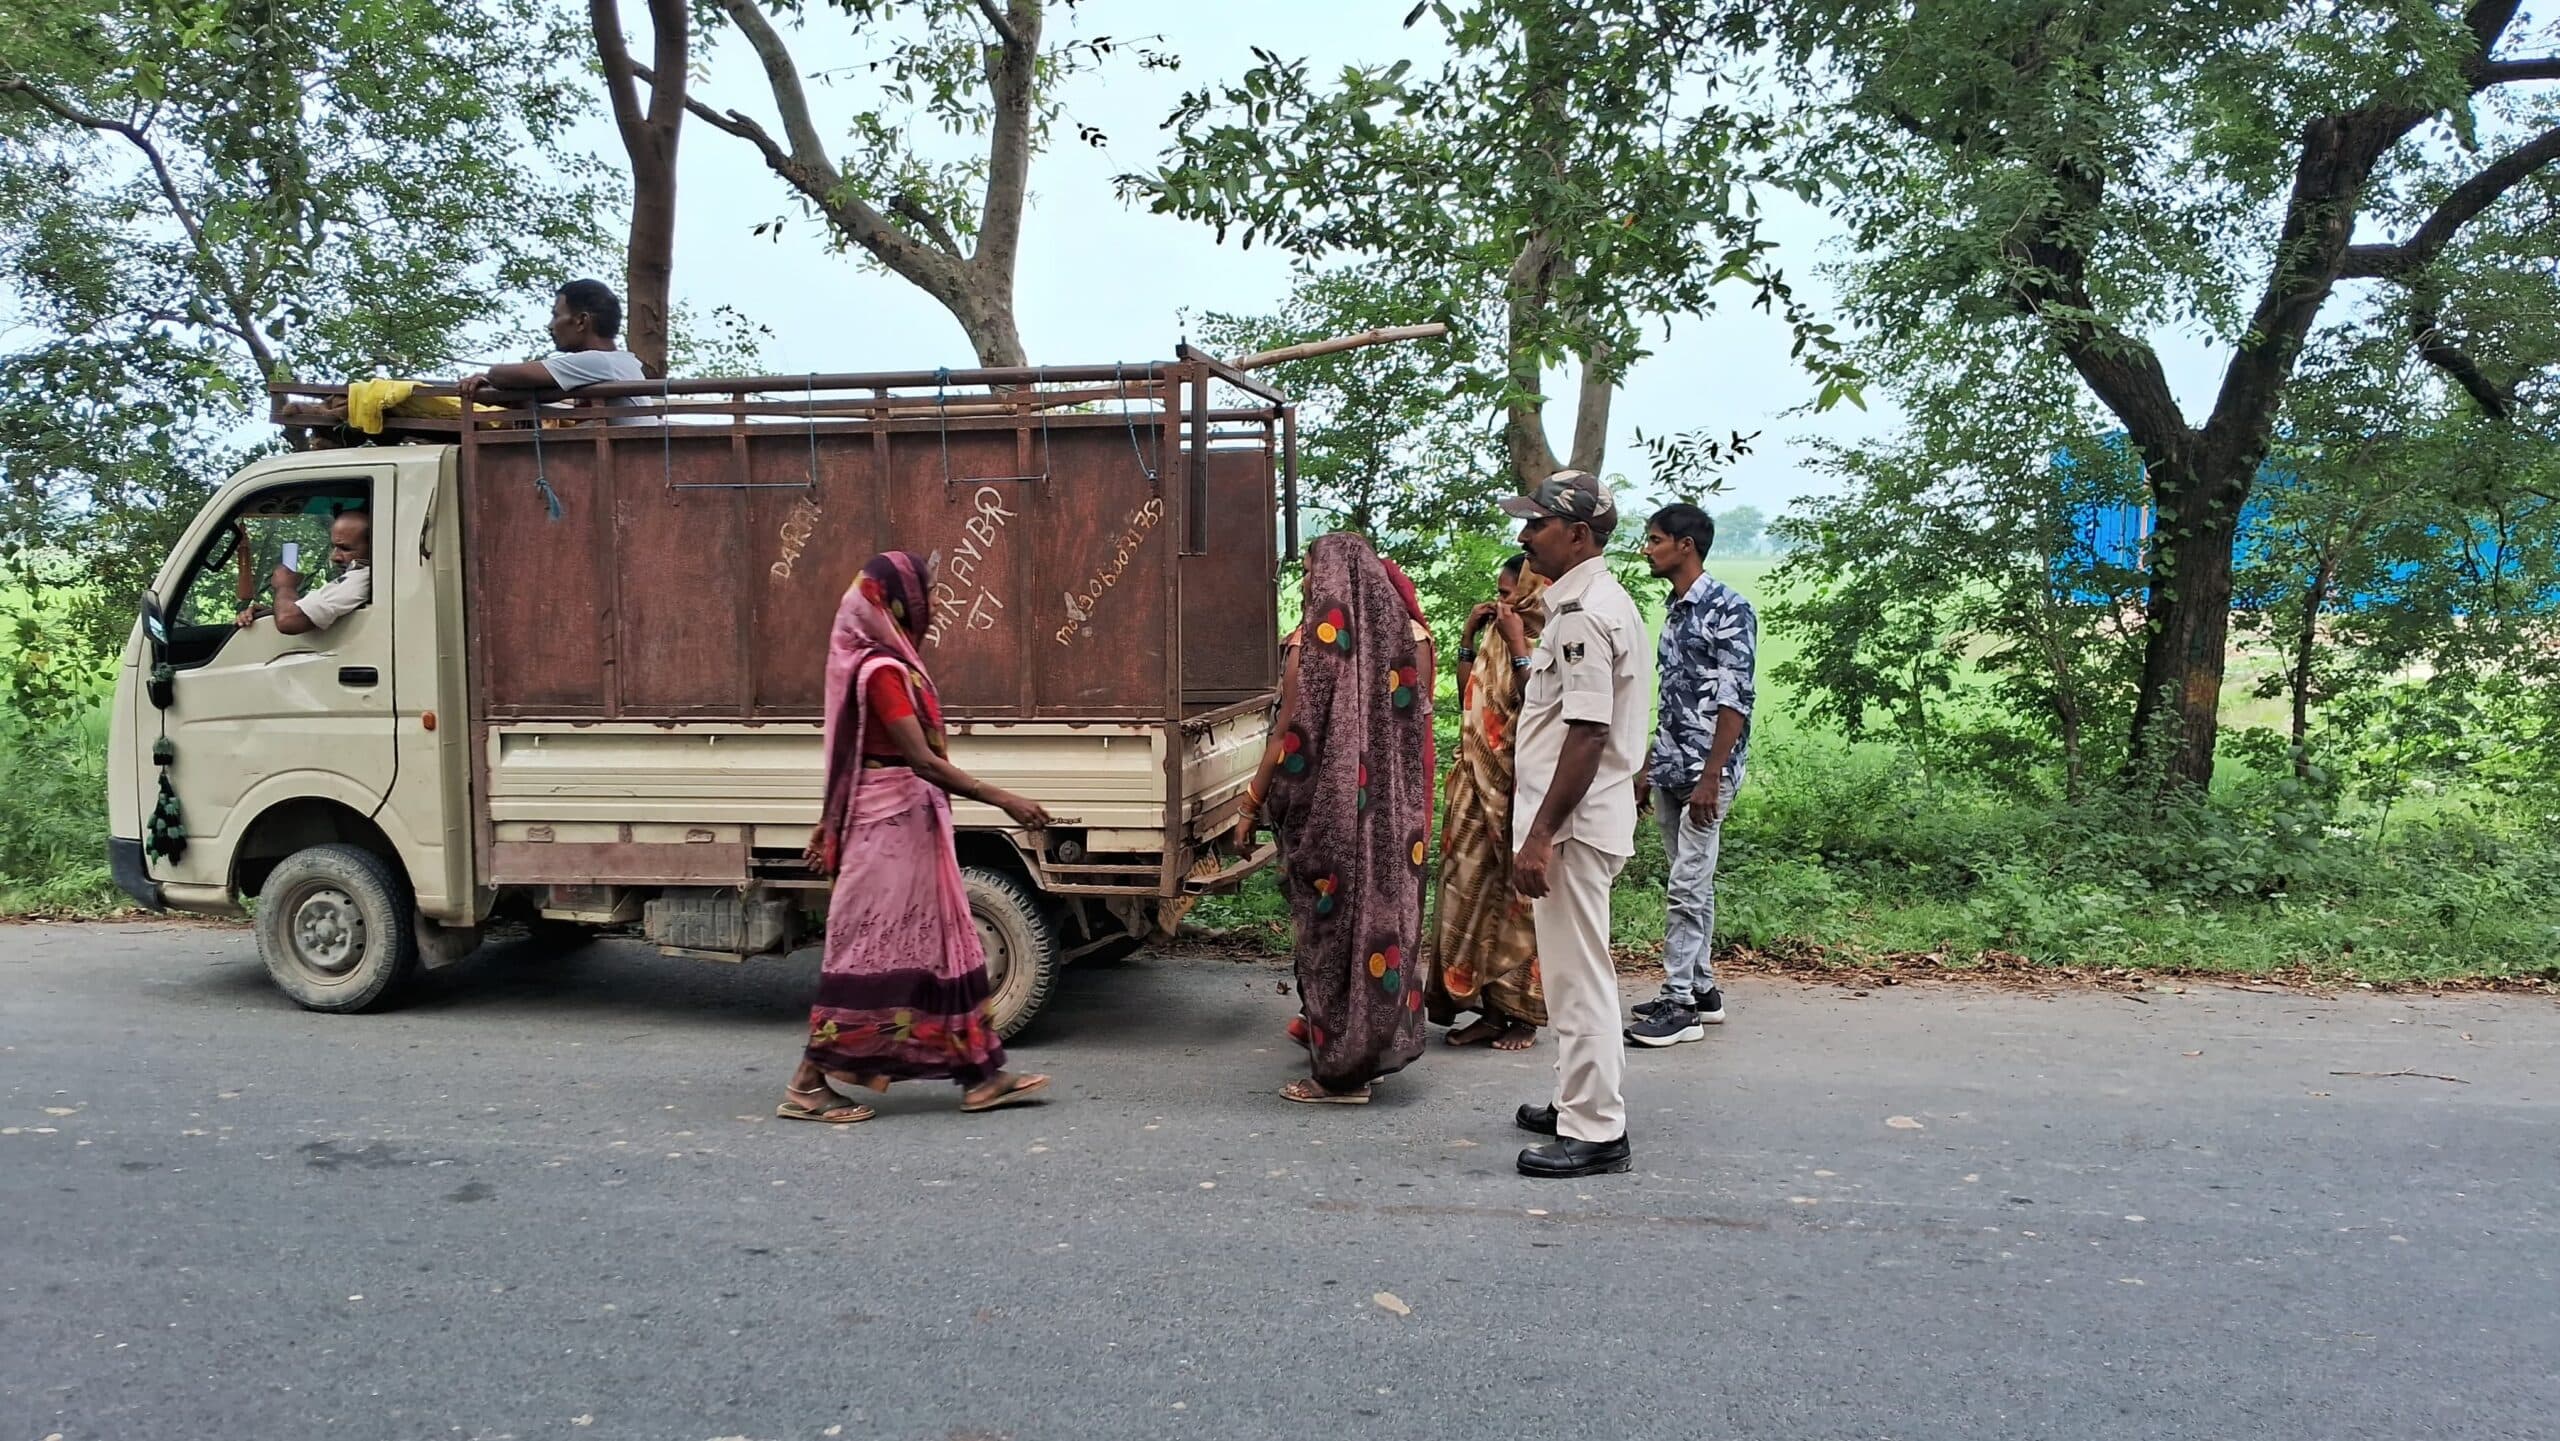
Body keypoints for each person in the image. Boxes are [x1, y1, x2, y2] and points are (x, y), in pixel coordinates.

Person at [781, 551, 1059, 1124]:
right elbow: (922, 761)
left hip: (906, 829)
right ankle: (807, 1085)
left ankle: (981, 1077)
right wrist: (1006, 800)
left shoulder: (889, 664)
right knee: (871, 954)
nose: (932, 601)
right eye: (925, 590)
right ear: (900, 602)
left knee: (944, 946)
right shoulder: (881, 671)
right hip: (886, 834)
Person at [1231, 533, 1433, 1104]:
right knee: (1382, 932)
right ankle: (1369, 1051)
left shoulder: (1313, 647)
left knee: (1332, 940)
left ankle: (1341, 1075)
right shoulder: (1404, 641)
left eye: (1310, 572)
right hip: (1392, 825)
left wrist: (1250, 806)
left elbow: (1286, 738)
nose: (1304, 583)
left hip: (1332, 822)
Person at [1497, 470, 1652, 1179]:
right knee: (1568, 972)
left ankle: (1595, 1128)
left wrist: (1540, 835)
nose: (1525, 534)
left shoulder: (1586, 613)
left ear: (1579, 534)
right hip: (1577, 819)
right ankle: (1573, 1101)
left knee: (1579, 975)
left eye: (1539, 523)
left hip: (1572, 826)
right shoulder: (1584, 603)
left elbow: (1588, 733)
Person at [1628, 503, 1757, 1047]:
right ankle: (1702, 989)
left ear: (1686, 546)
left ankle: (1679, 1004)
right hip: (1671, 765)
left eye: (1655, 539)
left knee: (1686, 885)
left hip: (1708, 773)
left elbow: (1735, 699)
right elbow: (1673, 699)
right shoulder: (1676, 611)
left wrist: (1713, 774)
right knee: (1690, 881)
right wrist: (1648, 766)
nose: (1647, 549)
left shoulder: (1729, 608)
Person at [1427, 556, 1550, 1051]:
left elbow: (1538, 704)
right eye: (1498, 594)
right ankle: (1488, 1010)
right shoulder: (1497, 638)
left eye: (1507, 593)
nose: (1500, 603)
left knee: (1516, 901)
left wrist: (1518, 643)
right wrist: (1468, 637)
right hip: (1475, 788)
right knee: (1470, 893)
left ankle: (1521, 1015)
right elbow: (1469, 697)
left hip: (1518, 790)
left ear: (1531, 591)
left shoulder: (1548, 638)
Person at [457, 279, 650, 423]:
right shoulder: (617, 364)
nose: (550, 326)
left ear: (581, 321)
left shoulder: (600, 361)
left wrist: (489, 378)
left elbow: (500, 374)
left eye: (556, 316)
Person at [234, 509, 372, 635]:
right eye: (334, 547)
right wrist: (270, 613)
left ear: (373, 546)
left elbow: (288, 621)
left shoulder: (363, 578)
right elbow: (309, 615)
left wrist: (285, 586)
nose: (335, 557)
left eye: (345, 549)